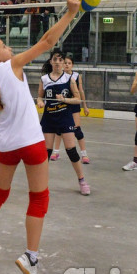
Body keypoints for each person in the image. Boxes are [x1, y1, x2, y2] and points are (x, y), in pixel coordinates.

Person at [0, 0, 80, 274]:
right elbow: (46, 42)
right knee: (39, 197)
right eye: (3, 46)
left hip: (6, 145)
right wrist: (69, 14)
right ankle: (30, 256)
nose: (9, 47)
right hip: (31, 142)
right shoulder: (10, 66)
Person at [37, 51, 91, 195]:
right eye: (55, 59)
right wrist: (40, 102)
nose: (57, 62)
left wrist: (64, 100)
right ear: (51, 62)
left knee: (71, 150)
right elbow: (39, 97)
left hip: (65, 117)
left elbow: (77, 99)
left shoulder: (69, 79)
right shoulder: (44, 79)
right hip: (49, 118)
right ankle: (41, 183)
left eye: (60, 59)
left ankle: (82, 180)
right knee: (46, 152)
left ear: (63, 63)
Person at [50, 55, 91, 164]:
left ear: (72, 65)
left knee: (77, 130)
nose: (67, 65)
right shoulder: (59, 76)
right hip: (62, 105)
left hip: (74, 105)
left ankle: (84, 154)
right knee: (59, 130)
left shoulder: (76, 76)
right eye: (65, 63)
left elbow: (81, 91)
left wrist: (85, 106)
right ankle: (56, 152)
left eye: (69, 63)